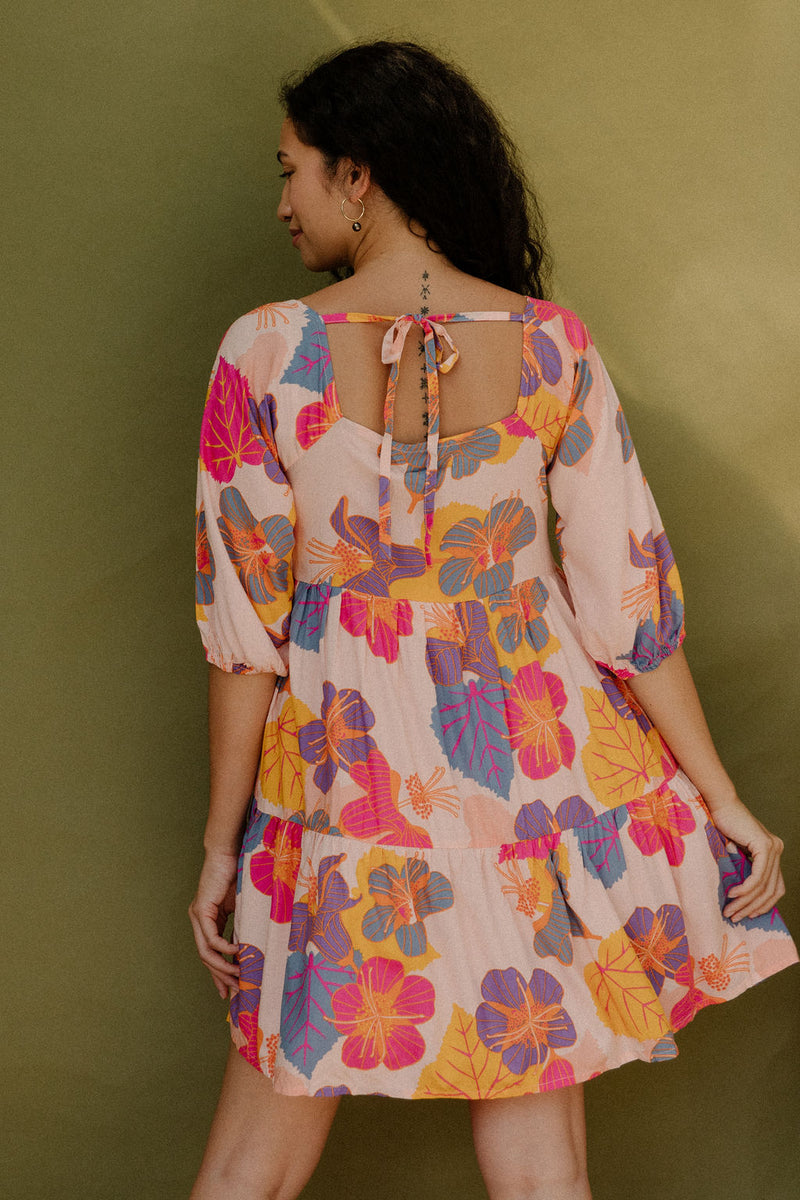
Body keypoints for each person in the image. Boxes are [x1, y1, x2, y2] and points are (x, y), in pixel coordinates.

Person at [188, 39, 797, 1200]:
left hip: (344, 798)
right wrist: (717, 799)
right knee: (539, 1176)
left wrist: (223, 849)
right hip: (536, 793)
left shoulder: (262, 352)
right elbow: (627, 603)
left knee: (247, 1166)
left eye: (292, 172)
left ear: (356, 176)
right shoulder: (549, 345)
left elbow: (242, 631)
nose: (280, 203)